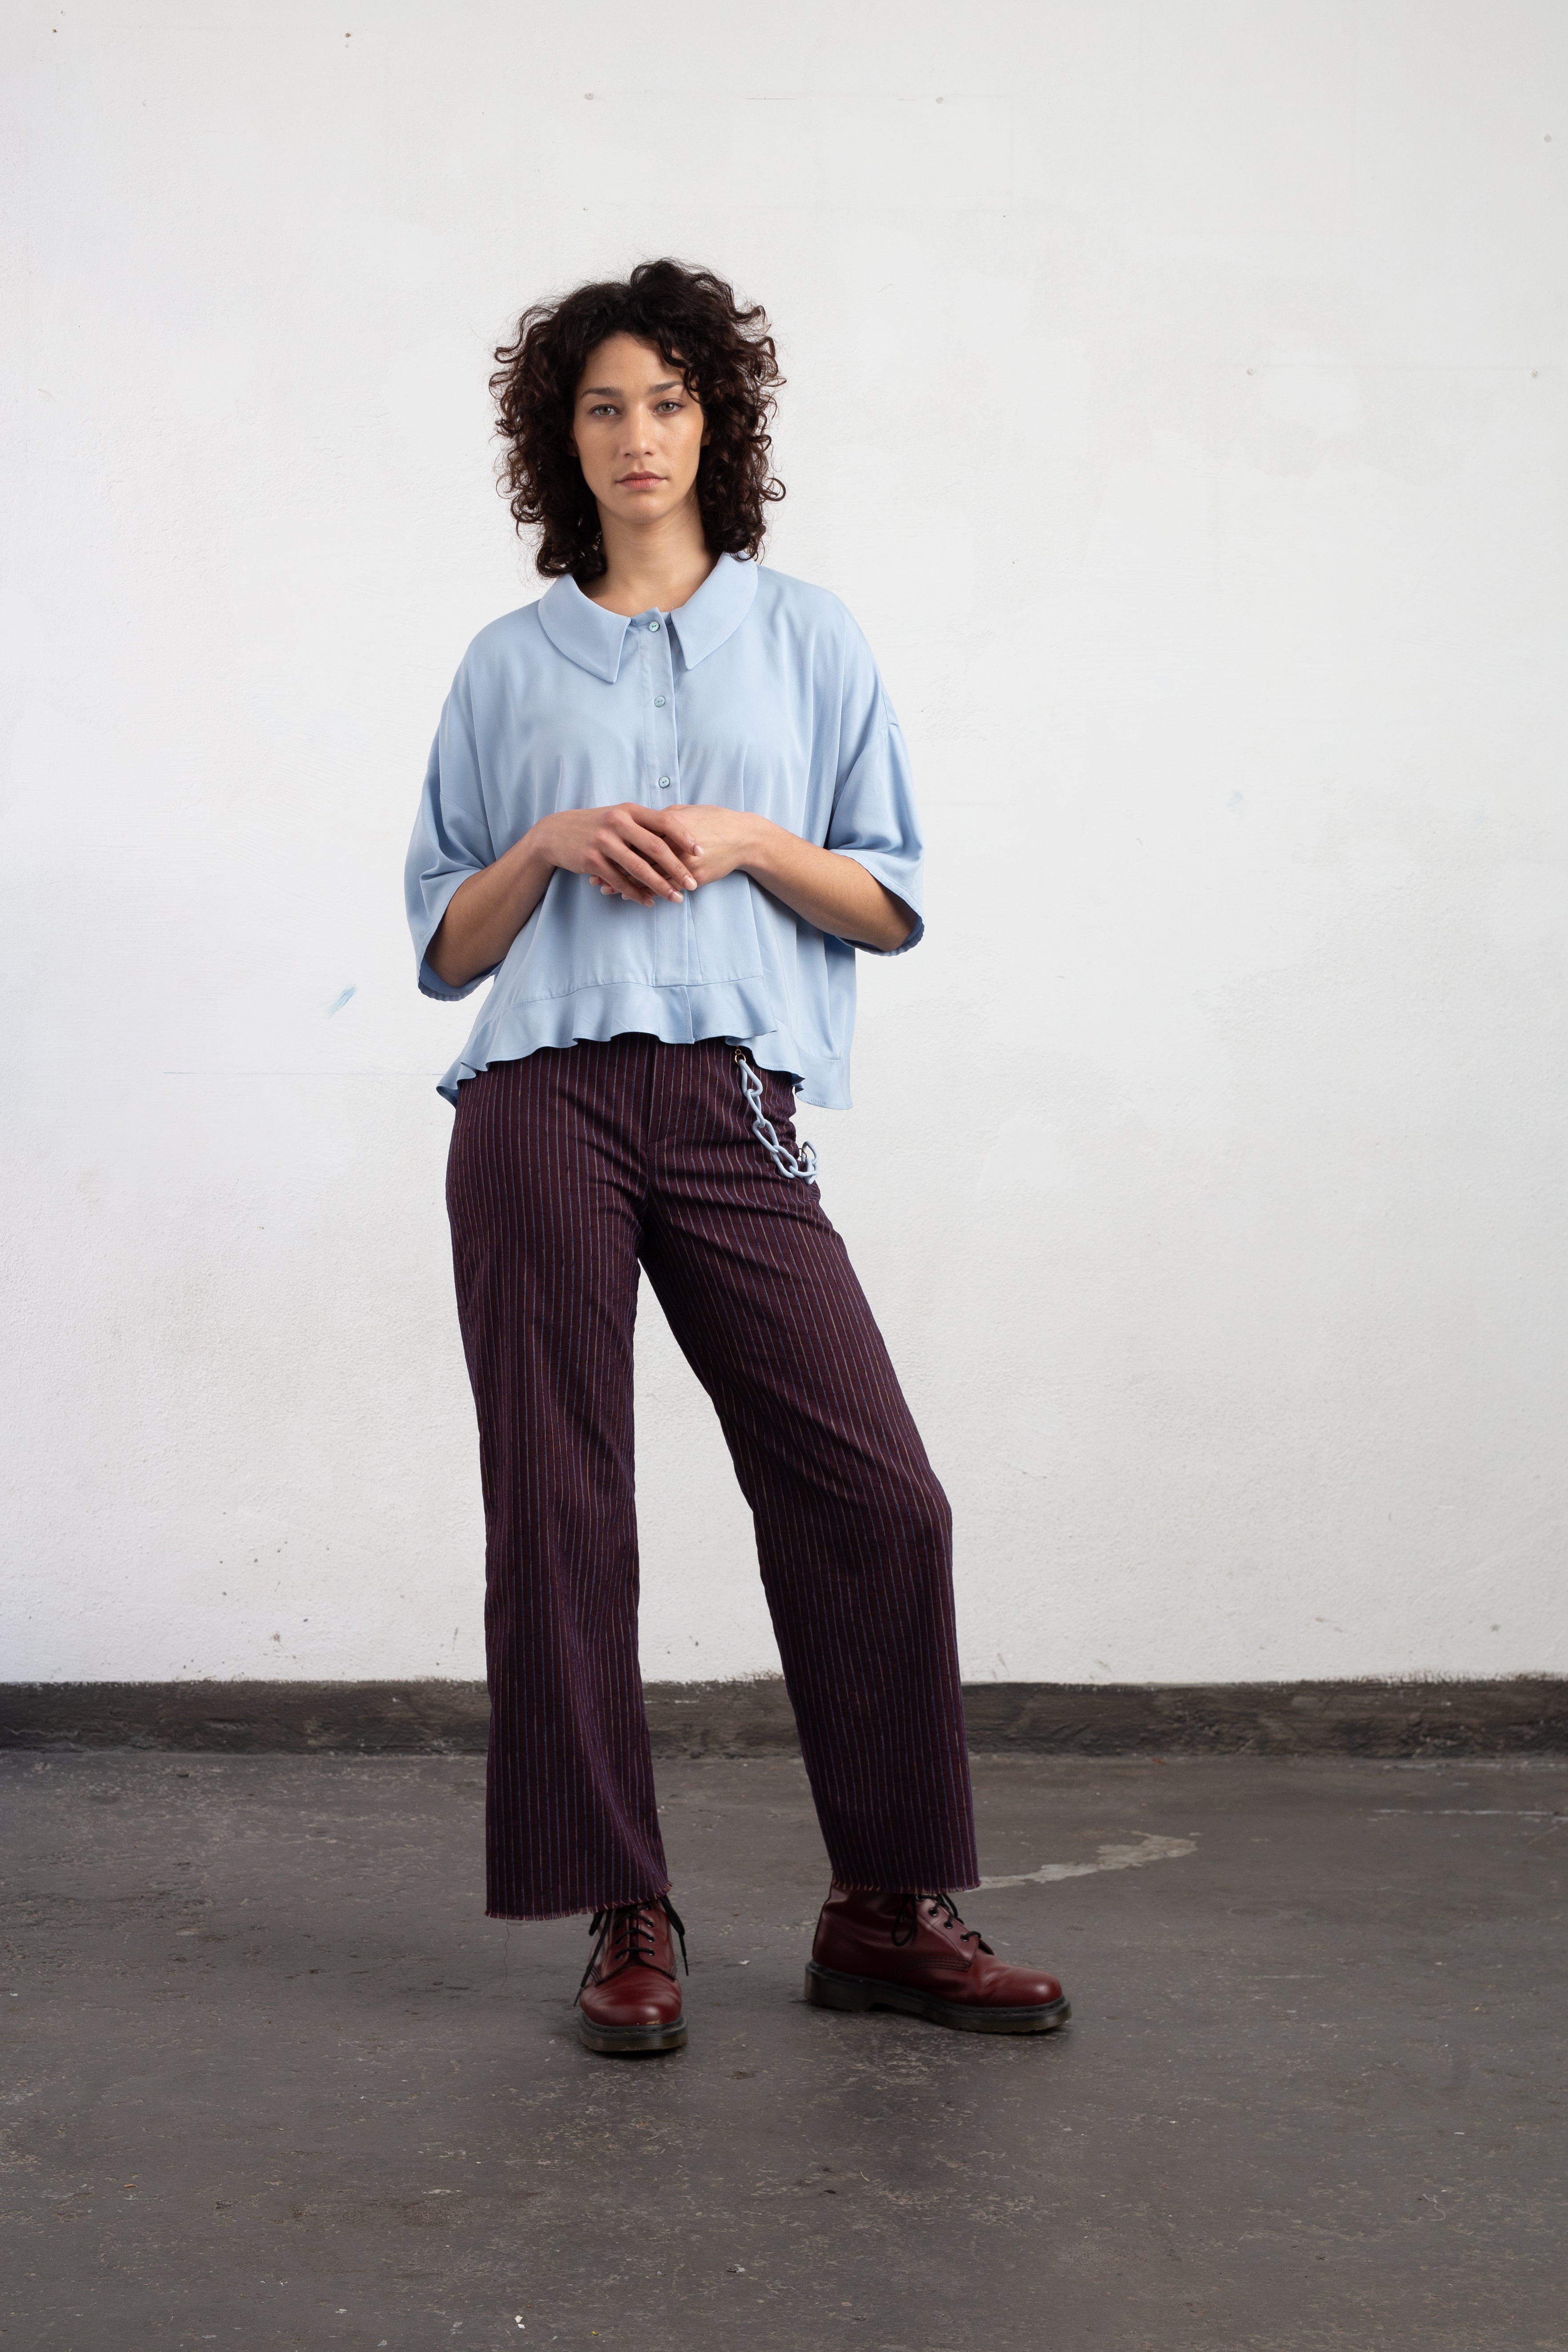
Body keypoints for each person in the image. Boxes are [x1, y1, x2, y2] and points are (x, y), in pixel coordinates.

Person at [405, 258, 1069, 2054]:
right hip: (537, 1094)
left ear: (717, 422)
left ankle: (883, 1904)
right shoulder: (504, 662)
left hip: (728, 1102)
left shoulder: (810, 636)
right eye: (602, 405)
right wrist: (545, 843)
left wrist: (754, 841)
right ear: (562, 438)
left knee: (874, 1493)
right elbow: (445, 944)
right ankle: (622, 1911)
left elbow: (890, 900)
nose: (638, 434)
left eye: (668, 400)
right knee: (561, 1504)